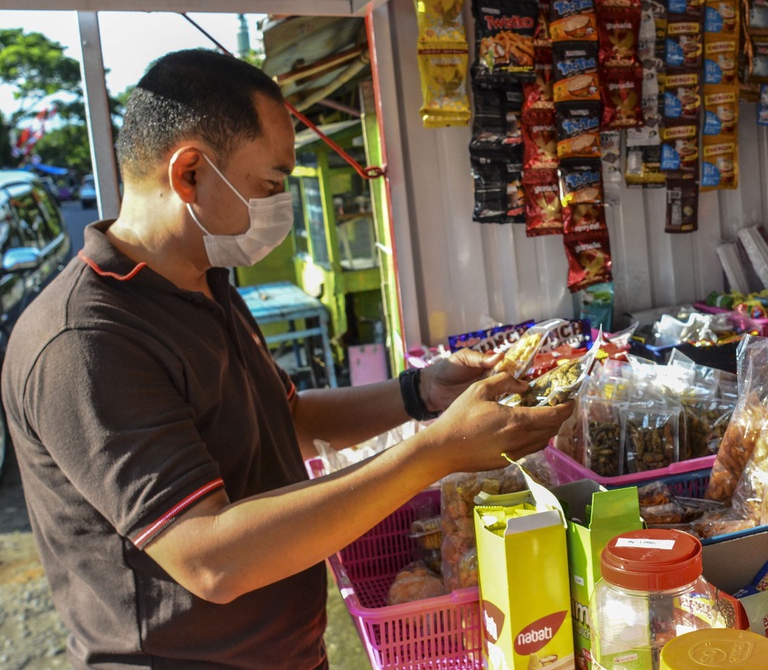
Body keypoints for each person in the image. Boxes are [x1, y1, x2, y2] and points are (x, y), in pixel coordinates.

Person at [0, 49, 573, 668]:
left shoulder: (206, 281)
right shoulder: (86, 341)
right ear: (189, 172)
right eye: (269, 186)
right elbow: (210, 557)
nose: (280, 206)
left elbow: (285, 416)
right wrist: (436, 453)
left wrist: (422, 394)